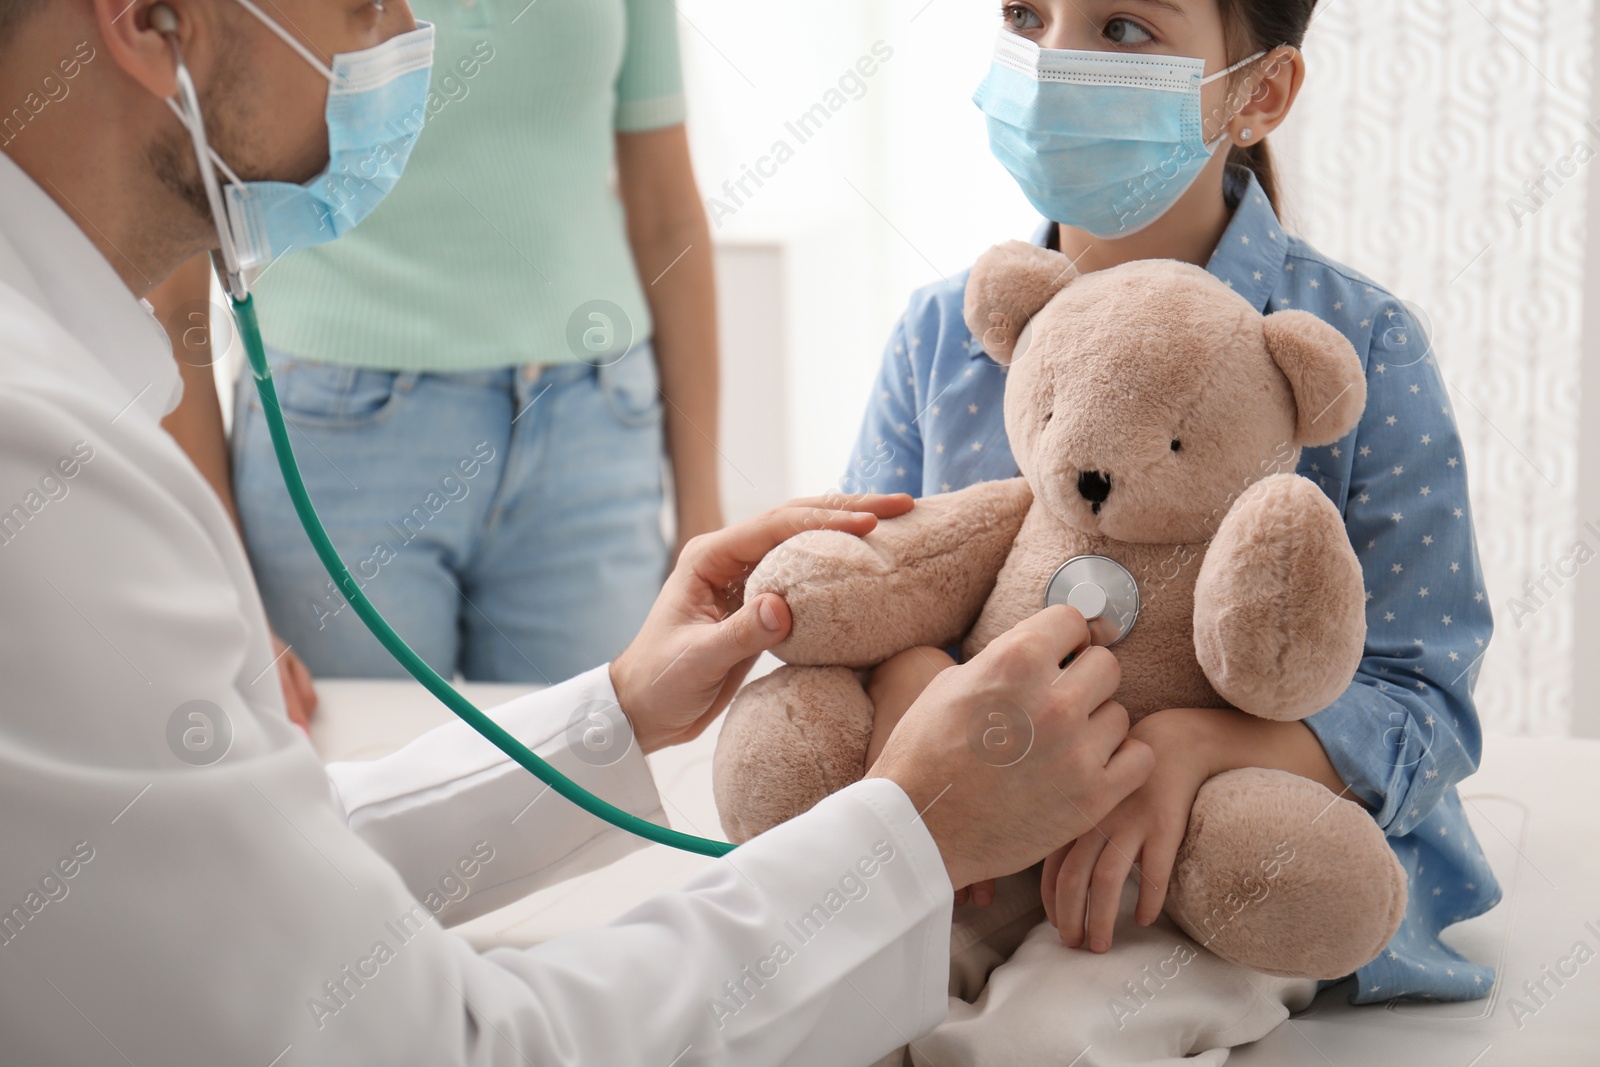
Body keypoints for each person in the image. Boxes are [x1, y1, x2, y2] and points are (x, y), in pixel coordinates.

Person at [0, 1, 1156, 1064]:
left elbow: (265, 865)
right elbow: (444, 1044)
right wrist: (912, 835)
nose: (404, 32)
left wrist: (617, 708)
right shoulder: (45, 471)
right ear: (152, 22)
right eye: (363, 2)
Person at [847, 0, 1501, 1062]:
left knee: (1044, 1041)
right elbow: (874, 590)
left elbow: (1424, 702)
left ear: (1260, 93)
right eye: (1025, 14)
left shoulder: (1361, 345)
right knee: (804, 1000)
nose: (1052, 61)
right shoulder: (941, 333)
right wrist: (913, 691)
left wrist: (1190, 747)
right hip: (981, 836)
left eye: (1123, 30)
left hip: (1218, 857)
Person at [152, 0, 722, 689]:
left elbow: (667, 216)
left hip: (593, 435)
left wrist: (703, 513)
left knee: (593, 750)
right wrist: (220, 569)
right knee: (357, 753)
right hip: (336, 441)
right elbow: (177, 279)